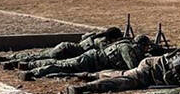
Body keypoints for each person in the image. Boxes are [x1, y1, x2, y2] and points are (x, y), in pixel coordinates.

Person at [65, 39, 180, 94]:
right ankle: (84, 87)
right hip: (151, 72)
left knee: (123, 74)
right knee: (123, 82)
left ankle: (90, 75)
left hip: (152, 66)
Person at [20, 34, 154, 81]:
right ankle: (32, 70)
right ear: (142, 45)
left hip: (92, 59)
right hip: (91, 61)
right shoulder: (127, 48)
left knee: (64, 65)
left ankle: (31, 65)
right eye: (147, 47)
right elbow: (133, 67)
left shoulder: (126, 45)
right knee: (64, 65)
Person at [0, 26, 123, 69]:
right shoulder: (102, 42)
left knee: (39, 54)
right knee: (49, 61)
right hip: (69, 52)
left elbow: (84, 37)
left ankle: (8, 59)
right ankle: (14, 63)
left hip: (65, 46)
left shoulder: (94, 36)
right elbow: (106, 51)